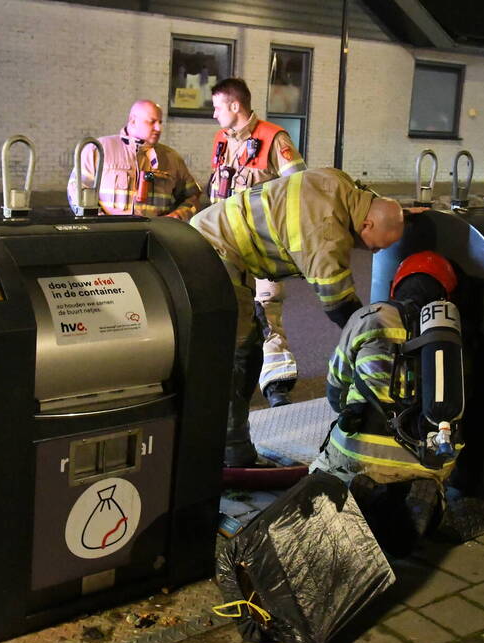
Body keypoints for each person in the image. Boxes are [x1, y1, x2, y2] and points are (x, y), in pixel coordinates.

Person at [189, 167, 406, 467]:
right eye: (377, 246)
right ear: (366, 224)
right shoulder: (327, 233)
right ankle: (230, 449)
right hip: (214, 251)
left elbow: (372, 199)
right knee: (240, 354)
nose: (373, 252)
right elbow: (339, 304)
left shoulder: (340, 183)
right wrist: (375, 342)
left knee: (243, 344)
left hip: (217, 238)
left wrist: (400, 214)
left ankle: (218, 443)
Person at [311, 251, 460, 556]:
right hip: (431, 454)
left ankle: (354, 487)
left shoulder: (369, 317)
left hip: (363, 449)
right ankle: (427, 492)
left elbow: (336, 385)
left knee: (319, 476)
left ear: (396, 286)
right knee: (415, 500)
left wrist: (346, 411)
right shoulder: (453, 334)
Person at [208, 78, 307, 408]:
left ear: (235, 106)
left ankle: (277, 384)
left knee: (267, 312)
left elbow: (299, 189)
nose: (213, 114)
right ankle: (234, 385)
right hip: (227, 246)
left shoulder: (274, 138)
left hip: (263, 247)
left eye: (217, 107)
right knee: (231, 312)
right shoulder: (222, 141)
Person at [67, 99, 201, 221]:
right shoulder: (98, 150)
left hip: (155, 238)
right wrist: (100, 223)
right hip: (108, 236)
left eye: (160, 122)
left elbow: (193, 197)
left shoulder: (171, 158)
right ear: (132, 121)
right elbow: (77, 190)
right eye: (152, 121)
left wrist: (177, 217)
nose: (158, 128)